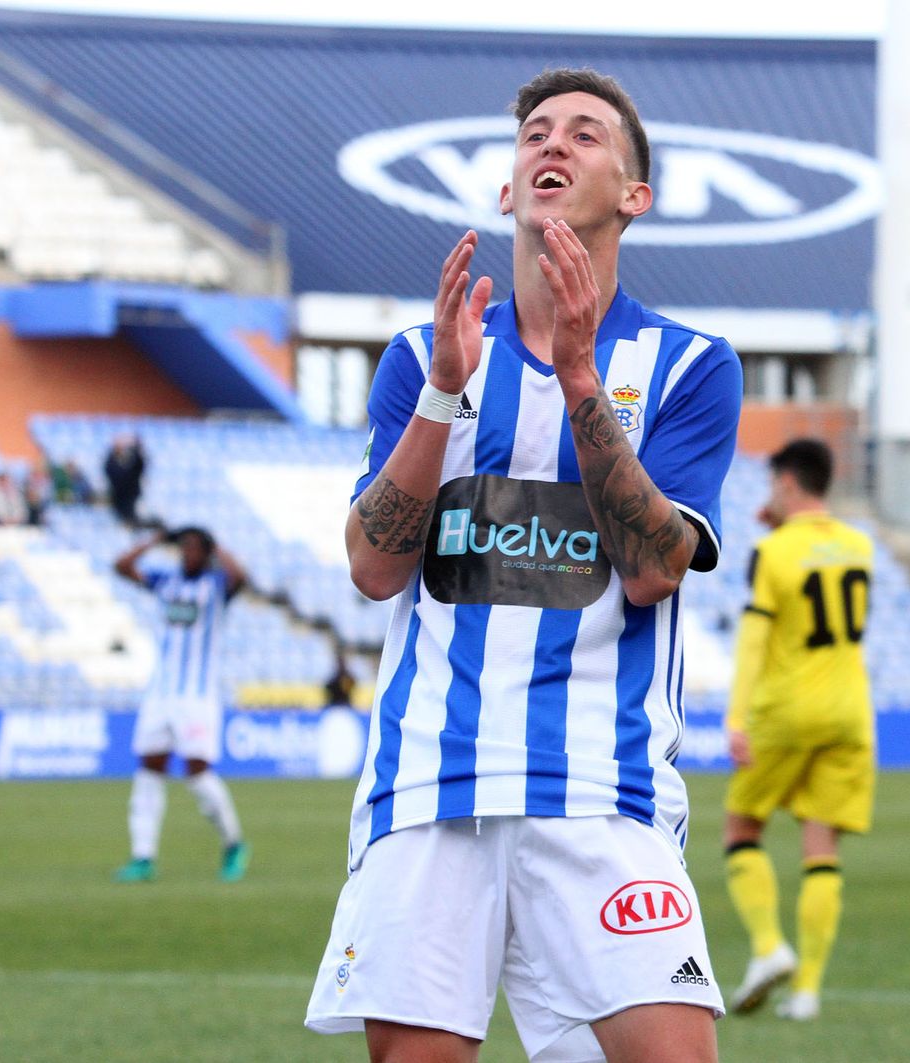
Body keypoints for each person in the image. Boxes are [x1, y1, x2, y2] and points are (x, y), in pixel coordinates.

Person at [304, 68, 742, 1063]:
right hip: (430, 783)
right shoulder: (423, 354)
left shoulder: (688, 363)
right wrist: (444, 396)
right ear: (508, 189)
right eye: (535, 135)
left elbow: (649, 568)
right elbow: (374, 566)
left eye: (585, 136)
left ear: (634, 196)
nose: (552, 146)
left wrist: (580, 378)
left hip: (601, 786)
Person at [723, 439, 875, 1023]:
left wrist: (737, 719)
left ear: (786, 483)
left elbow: (756, 640)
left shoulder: (774, 552)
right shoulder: (860, 546)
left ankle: (768, 947)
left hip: (787, 709)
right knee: (821, 848)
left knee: (742, 828)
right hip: (850, 711)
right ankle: (807, 991)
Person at [113, 526, 251, 884]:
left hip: (198, 696)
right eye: (183, 547)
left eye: (193, 548)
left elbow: (241, 577)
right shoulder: (165, 581)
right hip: (160, 693)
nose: (186, 554)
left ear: (206, 553)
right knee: (149, 768)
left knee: (197, 771)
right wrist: (155, 541)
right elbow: (121, 566)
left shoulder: (216, 585)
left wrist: (215, 543)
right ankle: (143, 856)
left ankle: (233, 844)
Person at [103, 434, 147, 526]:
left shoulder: (131, 469)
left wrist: (135, 447)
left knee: (130, 519)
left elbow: (139, 464)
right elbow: (109, 466)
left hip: (129, 498)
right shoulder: (114, 468)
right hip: (119, 498)